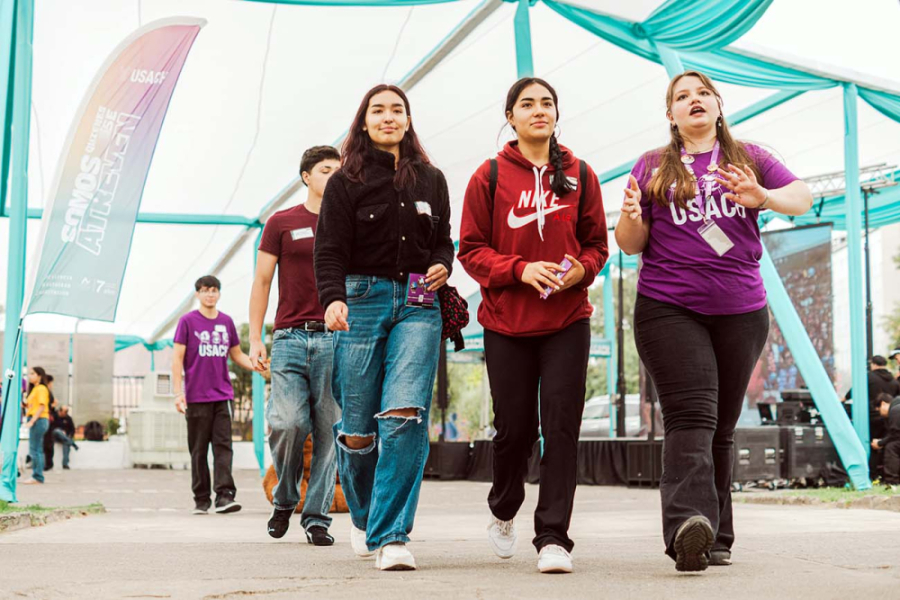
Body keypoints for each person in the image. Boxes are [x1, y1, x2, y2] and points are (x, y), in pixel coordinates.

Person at [615, 70, 813, 572]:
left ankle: (717, 535)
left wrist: (762, 197)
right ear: (672, 116)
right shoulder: (651, 165)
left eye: (703, 93)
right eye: (682, 96)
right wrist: (634, 217)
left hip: (742, 310)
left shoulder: (750, 157)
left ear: (719, 106)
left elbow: (803, 198)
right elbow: (630, 242)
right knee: (691, 418)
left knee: (721, 427)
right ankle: (686, 524)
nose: (694, 100)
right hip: (668, 306)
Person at [458, 77, 608, 574]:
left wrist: (579, 271)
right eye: (528, 104)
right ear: (511, 117)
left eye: (547, 103)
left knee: (562, 427)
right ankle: (503, 509)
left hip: (568, 319)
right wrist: (520, 269)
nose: (538, 110)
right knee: (514, 430)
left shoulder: (582, 174)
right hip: (506, 324)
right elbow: (471, 251)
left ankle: (553, 537)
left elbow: (597, 246)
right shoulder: (489, 176)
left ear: (556, 115)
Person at [314, 84, 454, 571]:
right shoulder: (344, 182)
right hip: (361, 302)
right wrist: (332, 298)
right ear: (364, 121)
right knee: (357, 430)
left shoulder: (431, 179)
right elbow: (328, 248)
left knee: (403, 414)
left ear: (409, 120)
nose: (389, 117)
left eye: (398, 109)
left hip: (419, 304)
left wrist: (442, 265)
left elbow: (443, 241)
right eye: (379, 110)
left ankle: (393, 534)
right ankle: (365, 514)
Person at [249, 145, 342, 546]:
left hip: (337, 339)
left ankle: (317, 517)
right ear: (306, 176)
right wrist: (255, 337)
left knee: (329, 431)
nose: (333, 176)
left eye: (339, 171)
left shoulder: (352, 224)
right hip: (289, 337)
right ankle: (285, 497)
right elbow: (262, 282)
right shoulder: (282, 222)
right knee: (289, 423)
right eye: (325, 170)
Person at [173, 275, 254, 515]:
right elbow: (177, 359)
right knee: (198, 450)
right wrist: (179, 394)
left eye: (214, 290)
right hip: (196, 397)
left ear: (219, 294)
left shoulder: (227, 322)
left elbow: (237, 354)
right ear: (197, 294)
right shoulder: (187, 322)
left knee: (223, 447)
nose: (210, 294)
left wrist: (257, 365)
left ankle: (224, 496)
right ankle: (201, 499)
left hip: (222, 396)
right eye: (205, 290)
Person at [21, 366, 52, 484]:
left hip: (39, 420)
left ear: (39, 376)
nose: (30, 376)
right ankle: (37, 475)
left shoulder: (41, 389)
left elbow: (42, 406)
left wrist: (32, 421)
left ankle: (37, 476)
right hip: (37, 419)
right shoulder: (35, 389)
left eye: (32, 373)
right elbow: (32, 405)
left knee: (35, 449)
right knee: (36, 448)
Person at [872, 394, 900, 485]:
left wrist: (880, 443)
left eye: (879, 410)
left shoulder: (895, 410)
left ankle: (892, 481)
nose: (880, 414)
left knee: (891, 447)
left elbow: (896, 434)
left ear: (883, 404)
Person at [49, 405, 78, 470]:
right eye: (65, 411)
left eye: (67, 411)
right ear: (60, 411)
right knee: (58, 431)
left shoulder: (68, 418)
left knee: (66, 444)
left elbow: (72, 429)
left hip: (64, 437)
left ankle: (65, 464)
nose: (66, 413)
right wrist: (61, 431)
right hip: (55, 435)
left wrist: (69, 435)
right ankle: (72, 443)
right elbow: (51, 427)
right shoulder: (54, 416)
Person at [42, 374, 59, 470]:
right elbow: (46, 406)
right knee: (47, 442)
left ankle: (48, 463)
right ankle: (48, 463)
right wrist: (53, 405)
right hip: (47, 419)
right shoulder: (46, 391)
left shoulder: (47, 391)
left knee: (47, 442)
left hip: (48, 420)